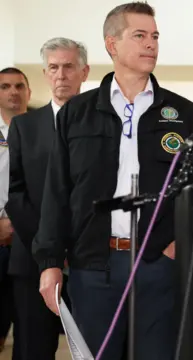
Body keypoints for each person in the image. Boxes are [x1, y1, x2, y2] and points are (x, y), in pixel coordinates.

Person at [33, 3, 193, 359]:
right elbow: (56, 193)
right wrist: (50, 261)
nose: (151, 44)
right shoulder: (76, 114)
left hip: (158, 264)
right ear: (111, 44)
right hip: (94, 266)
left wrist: (177, 246)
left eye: (154, 36)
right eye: (139, 36)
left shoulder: (184, 113)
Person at [5, 37, 89, 360]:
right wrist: (48, 250)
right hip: (32, 262)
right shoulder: (25, 127)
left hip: (89, 261)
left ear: (84, 71)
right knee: (32, 351)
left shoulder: (103, 123)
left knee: (95, 348)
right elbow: (15, 193)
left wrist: (74, 247)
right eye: (53, 67)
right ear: (44, 72)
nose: (61, 75)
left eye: (69, 67)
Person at [0, 66, 30, 354]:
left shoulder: (42, 130)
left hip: (28, 240)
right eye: (5, 86)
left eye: (19, 86)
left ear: (28, 92)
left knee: (27, 326)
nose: (13, 92)